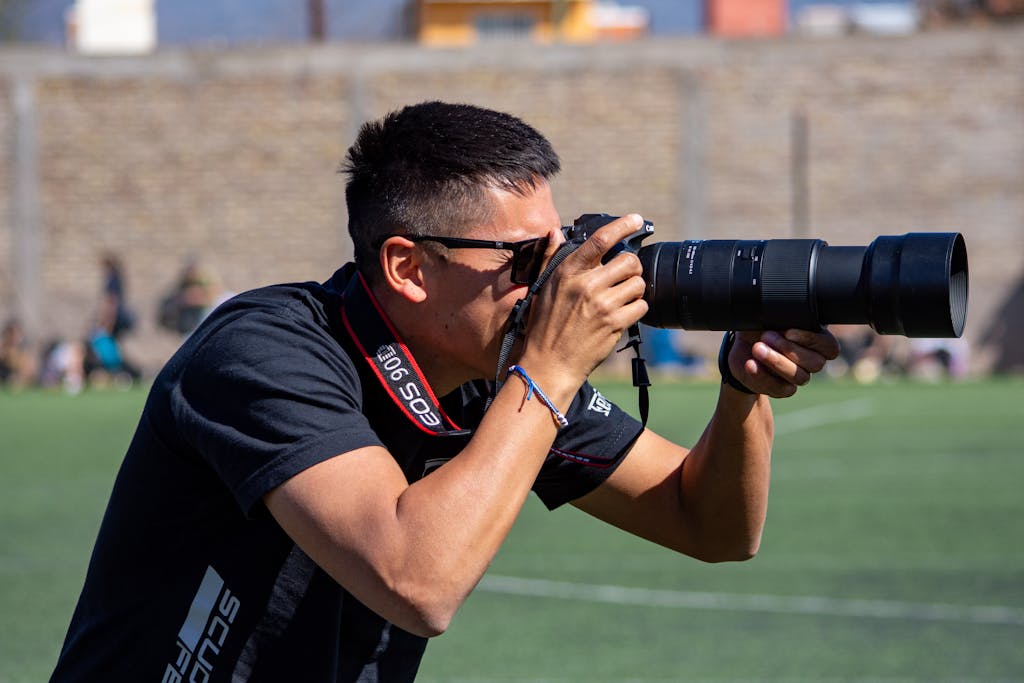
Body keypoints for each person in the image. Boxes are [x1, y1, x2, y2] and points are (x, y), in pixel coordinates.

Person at [51, 101, 838, 682]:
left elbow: (712, 523)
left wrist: (741, 390)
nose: (557, 281)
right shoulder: (263, 353)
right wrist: (552, 370)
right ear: (406, 267)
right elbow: (416, 580)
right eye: (526, 260)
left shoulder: (497, 374)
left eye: (559, 246)